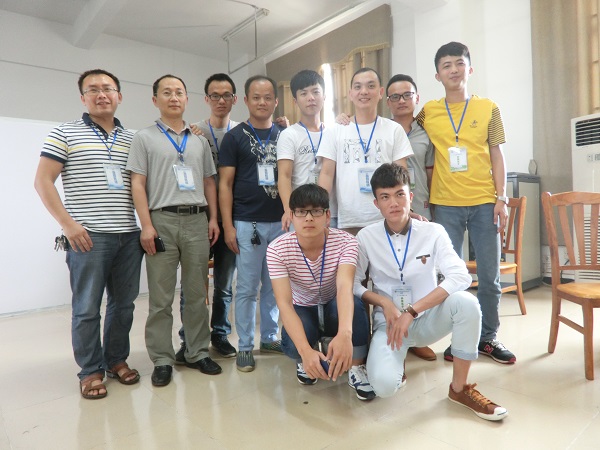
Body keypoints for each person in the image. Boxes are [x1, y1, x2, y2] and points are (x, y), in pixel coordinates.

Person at [354, 163, 508, 421]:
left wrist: (412, 311)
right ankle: (397, 360)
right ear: (376, 204)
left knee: (467, 304)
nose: (394, 203)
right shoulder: (366, 237)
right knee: (383, 386)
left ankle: (459, 389)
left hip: (428, 318)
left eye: (400, 194)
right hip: (389, 325)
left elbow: (460, 275)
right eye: (385, 197)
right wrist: (384, 303)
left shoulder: (433, 231)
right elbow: (354, 284)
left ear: (410, 197)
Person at [34, 69, 144, 399]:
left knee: (123, 306)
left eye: (108, 88)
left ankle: (116, 360)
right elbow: (43, 181)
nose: (101, 94)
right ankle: (90, 370)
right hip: (87, 236)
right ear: (83, 98)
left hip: (128, 235)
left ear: (119, 96)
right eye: (93, 89)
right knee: (86, 308)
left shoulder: (134, 138)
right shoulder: (64, 133)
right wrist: (68, 224)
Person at [415, 42, 515, 364]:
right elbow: (404, 130)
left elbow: (497, 154)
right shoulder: (428, 112)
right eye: (446, 65)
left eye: (459, 63)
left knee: (490, 277)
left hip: (485, 202)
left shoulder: (489, 108)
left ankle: (488, 338)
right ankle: (459, 340)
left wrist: (501, 197)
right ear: (437, 75)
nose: (454, 70)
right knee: (452, 278)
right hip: (445, 205)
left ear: (469, 69)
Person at [127, 74, 221, 387]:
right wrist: (146, 225)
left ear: (187, 99)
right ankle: (162, 359)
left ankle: (196, 352)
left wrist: (213, 219)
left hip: (196, 220)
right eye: (166, 92)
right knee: (161, 298)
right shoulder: (144, 138)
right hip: (161, 221)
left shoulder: (199, 140)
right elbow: (137, 184)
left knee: (196, 294)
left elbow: (209, 182)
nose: (174, 97)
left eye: (179, 92)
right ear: (155, 100)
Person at [267, 184, 374, 400]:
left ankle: (356, 366)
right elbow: (284, 304)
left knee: (355, 304)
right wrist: (305, 351)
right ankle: (307, 356)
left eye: (316, 211)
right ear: (291, 216)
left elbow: (344, 287)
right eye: (301, 212)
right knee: (294, 344)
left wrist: (345, 334)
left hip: (333, 302)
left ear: (327, 216)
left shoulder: (346, 242)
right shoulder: (277, 249)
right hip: (302, 306)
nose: (308, 218)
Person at [218, 75, 286, 372]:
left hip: (281, 223)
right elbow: (224, 184)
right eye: (256, 97)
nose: (262, 102)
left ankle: (269, 338)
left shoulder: (285, 135)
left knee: (274, 285)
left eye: (268, 97)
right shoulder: (234, 137)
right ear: (245, 100)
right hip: (248, 223)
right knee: (246, 287)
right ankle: (245, 345)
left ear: (276, 101)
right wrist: (229, 226)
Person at [176, 73, 239, 361]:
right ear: (206, 99)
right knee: (193, 284)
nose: (221, 100)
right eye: (215, 95)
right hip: (200, 216)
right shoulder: (192, 132)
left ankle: (220, 334)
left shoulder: (241, 132)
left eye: (226, 95)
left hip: (231, 218)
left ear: (234, 99)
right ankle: (189, 337)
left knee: (224, 283)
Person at [318, 67, 413, 235]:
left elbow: (402, 175)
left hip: (387, 218)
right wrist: (320, 210)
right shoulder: (335, 131)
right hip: (348, 219)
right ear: (350, 94)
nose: (364, 91)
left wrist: (406, 209)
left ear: (381, 92)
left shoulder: (393, 129)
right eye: (358, 87)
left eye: (370, 86)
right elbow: (326, 174)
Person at [276, 70, 337, 230]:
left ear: (324, 96)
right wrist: (288, 210)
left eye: (316, 92)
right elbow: (284, 176)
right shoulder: (289, 135)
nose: (311, 98)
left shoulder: (334, 133)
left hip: (331, 212)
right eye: (304, 93)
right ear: (295, 101)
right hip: (301, 213)